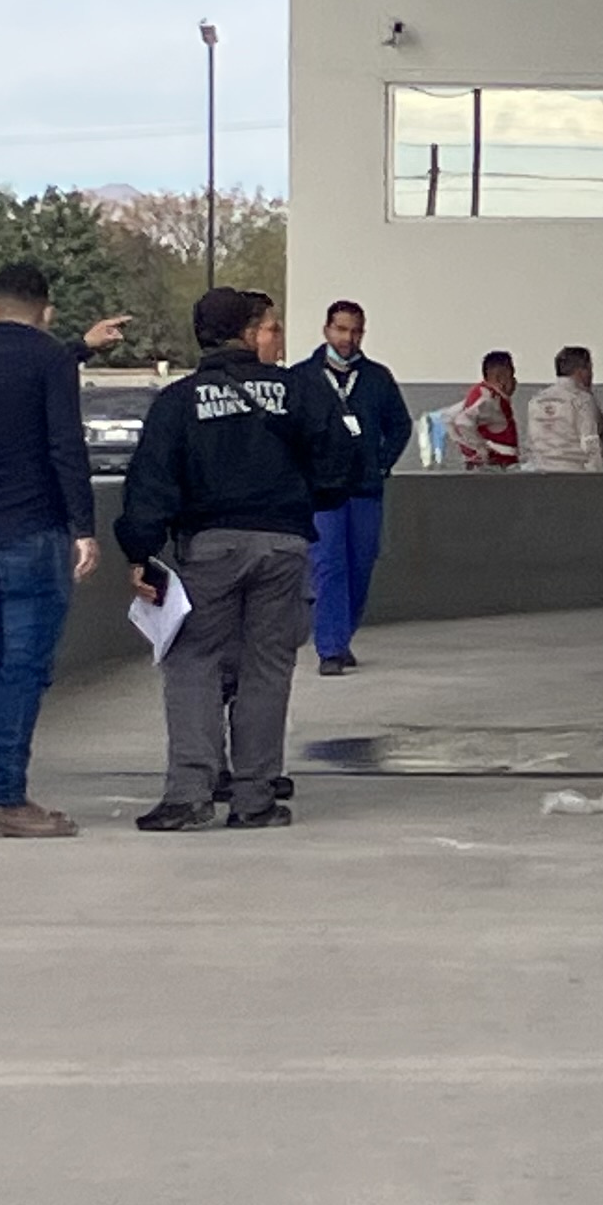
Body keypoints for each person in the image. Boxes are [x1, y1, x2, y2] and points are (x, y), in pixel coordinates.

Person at [117, 283, 352, 830]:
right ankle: (255, 799)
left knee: (193, 662)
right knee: (267, 670)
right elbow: (339, 461)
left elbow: (149, 482)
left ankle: (189, 794)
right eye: (269, 325)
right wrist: (301, 501)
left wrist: (141, 551)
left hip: (209, 548)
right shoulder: (299, 390)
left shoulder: (178, 401)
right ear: (248, 333)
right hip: (284, 544)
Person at [0, 260, 124, 838]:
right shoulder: (50, 359)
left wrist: (79, 347)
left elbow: (15, 389)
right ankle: (5, 798)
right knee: (25, 668)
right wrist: (83, 525)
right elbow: (63, 444)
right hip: (33, 530)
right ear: (46, 310)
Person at [303, 298, 413, 674]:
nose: (348, 338)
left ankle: (342, 635)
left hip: (365, 488)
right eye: (341, 329)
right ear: (326, 330)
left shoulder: (378, 378)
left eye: (355, 331)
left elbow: (400, 425)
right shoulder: (304, 377)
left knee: (360, 565)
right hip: (321, 492)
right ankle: (329, 648)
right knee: (328, 565)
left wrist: (381, 462)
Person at [519, 344, 603, 473]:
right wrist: (600, 477)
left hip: (539, 474)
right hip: (575, 474)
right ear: (581, 371)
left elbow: (531, 443)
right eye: (590, 369)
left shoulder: (536, 400)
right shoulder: (582, 400)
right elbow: (590, 444)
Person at [447, 350, 522, 470]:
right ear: (500, 377)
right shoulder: (491, 401)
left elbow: (449, 418)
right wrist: (482, 449)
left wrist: (469, 450)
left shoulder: (479, 394)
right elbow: (462, 421)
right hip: (500, 470)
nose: (515, 381)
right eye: (511, 375)